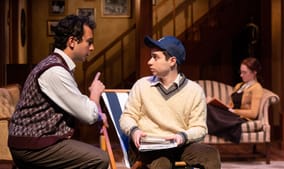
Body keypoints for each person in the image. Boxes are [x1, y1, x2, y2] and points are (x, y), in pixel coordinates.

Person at [8, 15, 109, 169]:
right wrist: (95, 94)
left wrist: (97, 113)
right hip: (31, 145)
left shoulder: (58, 65)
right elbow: (88, 115)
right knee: (99, 159)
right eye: (89, 42)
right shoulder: (55, 71)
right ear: (72, 42)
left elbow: (77, 104)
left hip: (36, 141)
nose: (92, 48)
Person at [119, 35, 221, 169]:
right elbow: (127, 117)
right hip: (148, 148)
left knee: (210, 154)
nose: (149, 62)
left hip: (179, 145)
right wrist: (134, 131)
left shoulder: (194, 91)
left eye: (155, 57)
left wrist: (183, 136)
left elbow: (200, 128)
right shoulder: (141, 85)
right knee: (162, 163)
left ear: (172, 61)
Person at [206, 57, 264, 143]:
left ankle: (208, 128)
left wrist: (234, 111)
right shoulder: (239, 86)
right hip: (232, 114)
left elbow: (253, 113)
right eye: (241, 72)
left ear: (254, 73)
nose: (241, 75)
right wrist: (221, 105)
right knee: (208, 107)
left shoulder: (256, 88)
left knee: (210, 111)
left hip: (241, 117)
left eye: (244, 73)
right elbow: (231, 105)